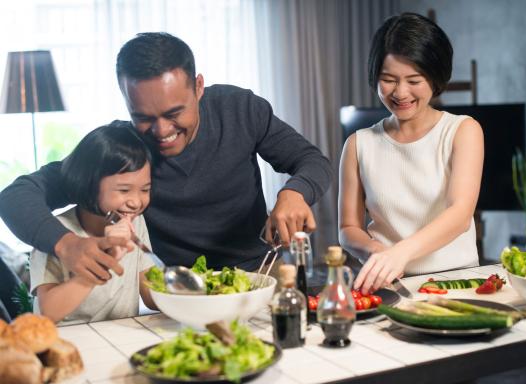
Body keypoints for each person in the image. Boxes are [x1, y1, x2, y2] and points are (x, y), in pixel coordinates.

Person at [0, 32, 332, 287]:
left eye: (174, 113)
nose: (160, 131)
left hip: (260, 273)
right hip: (180, 289)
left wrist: (296, 192)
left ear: (198, 87)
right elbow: (15, 196)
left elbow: (311, 160)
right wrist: (65, 244)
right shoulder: (121, 150)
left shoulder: (240, 109)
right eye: (142, 116)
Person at [338, 13, 484, 296]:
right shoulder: (359, 144)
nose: (400, 92)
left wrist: (399, 253)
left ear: (435, 76)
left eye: (414, 80)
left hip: (458, 282)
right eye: (388, 80)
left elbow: (460, 214)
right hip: (389, 284)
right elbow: (348, 227)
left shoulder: (463, 131)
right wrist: (376, 251)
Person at [29, 121, 157, 324]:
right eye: (124, 190)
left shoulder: (135, 222)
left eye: (145, 189)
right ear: (89, 184)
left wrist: (188, 294)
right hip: (68, 344)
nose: (136, 202)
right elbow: (49, 312)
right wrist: (105, 263)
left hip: (121, 338)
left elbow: (149, 293)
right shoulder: (55, 233)